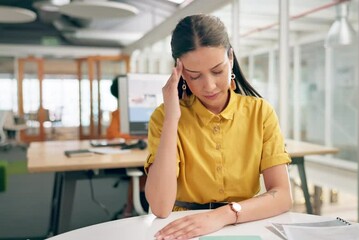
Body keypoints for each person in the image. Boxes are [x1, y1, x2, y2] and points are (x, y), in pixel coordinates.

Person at [144, 14, 293, 240]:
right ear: (180, 72)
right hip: (183, 229)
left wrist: (221, 216)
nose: (209, 86)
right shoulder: (164, 117)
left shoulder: (260, 112)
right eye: (195, 76)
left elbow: (282, 196)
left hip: (244, 223)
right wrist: (172, 118)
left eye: (217, 71)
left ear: (230, 58)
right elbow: (161, 207)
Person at [108, 76, 148, 217]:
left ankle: (130, 208)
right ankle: (129, 209)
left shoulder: (145, 109)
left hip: (145, 152)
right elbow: (113, 135)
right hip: (129, 154)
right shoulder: (119, 113)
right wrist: (137, 136)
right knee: (142, 171)